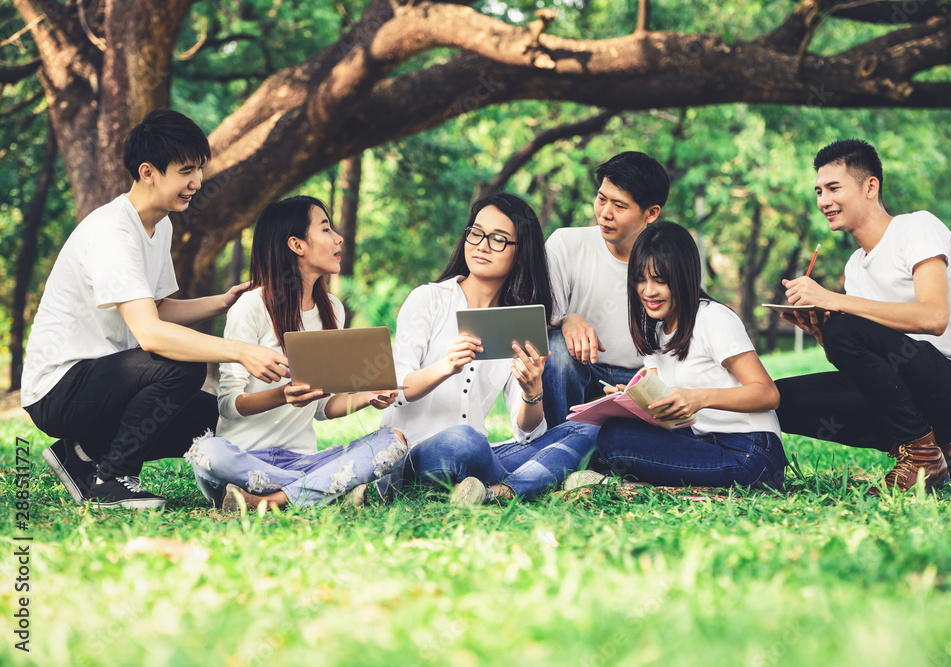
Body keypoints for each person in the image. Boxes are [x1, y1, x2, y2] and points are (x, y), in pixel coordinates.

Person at [22, 109, 288, 509]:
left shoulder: (158, 225)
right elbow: (151, 334)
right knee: (180, 364)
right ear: (148, 172)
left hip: (102, 381)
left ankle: (81, 455)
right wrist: (240, 350)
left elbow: (158, 309)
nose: (197, 182)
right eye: (185, 171)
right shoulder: (114, 231)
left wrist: (222, 301)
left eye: (198, 169)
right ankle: (111, 481)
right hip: (59, 388)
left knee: (203, 414)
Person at [775, 139, 951, 493]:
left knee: (843, 327)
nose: (823, 201)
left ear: (870, 187)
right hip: (913, 393)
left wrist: (835, 301)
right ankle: (936, 451)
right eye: (818, 191)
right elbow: (867, 363)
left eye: (833, 188)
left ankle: (922, 454)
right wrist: (820, 330)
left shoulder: (916, 228)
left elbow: (934, 316)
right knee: (776, 400)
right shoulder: (855, 267)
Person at [369, 193, 599, 505]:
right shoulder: (429, 299)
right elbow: (392, 390)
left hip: (479, 455)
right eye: (476, 233)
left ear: (520, 253)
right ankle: (537, 479)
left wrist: (532, 391)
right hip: (414, 454)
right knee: (465, 441)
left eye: (498, 239)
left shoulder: (519, 323)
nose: (482, 245)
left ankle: (491, 491)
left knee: (586, 432)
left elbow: (526, 434)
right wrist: (445, 367)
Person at [184, 196, 406, 511]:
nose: (338, 239)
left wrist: (367, 395)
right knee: (208, 452)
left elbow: (321, 408)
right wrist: (283, 395)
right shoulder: (252, 305)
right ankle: (324, 488)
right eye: (326, 229)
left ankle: (272, 499)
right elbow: (229, 405)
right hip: (242, 459)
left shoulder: (334, 310)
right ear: (297, 245)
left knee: (393, 441)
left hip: (301, 460)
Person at [571, 221, 786, 491]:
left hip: (750, 453)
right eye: (641, 279)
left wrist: (699, 398)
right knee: (614, 430)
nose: (648, 291)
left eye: (660, 280)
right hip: (700, 442)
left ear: (684, 277)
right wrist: (628, 399)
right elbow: (665, 411)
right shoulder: (660, 330)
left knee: (616, 441)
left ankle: (622, 479)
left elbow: (768, 394)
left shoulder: (712, 318)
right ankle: (624, 477)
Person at [542, 151, 670, 427]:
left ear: (651, 213)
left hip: (643, 382)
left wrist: (647, 382)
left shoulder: (669, 261)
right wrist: (565, 320)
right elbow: (532, 326)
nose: (605, 213)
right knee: (557, 349)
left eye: (619, 206)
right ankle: (558, 444)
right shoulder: (565, 244)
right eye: (601, 199)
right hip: (584, 377)